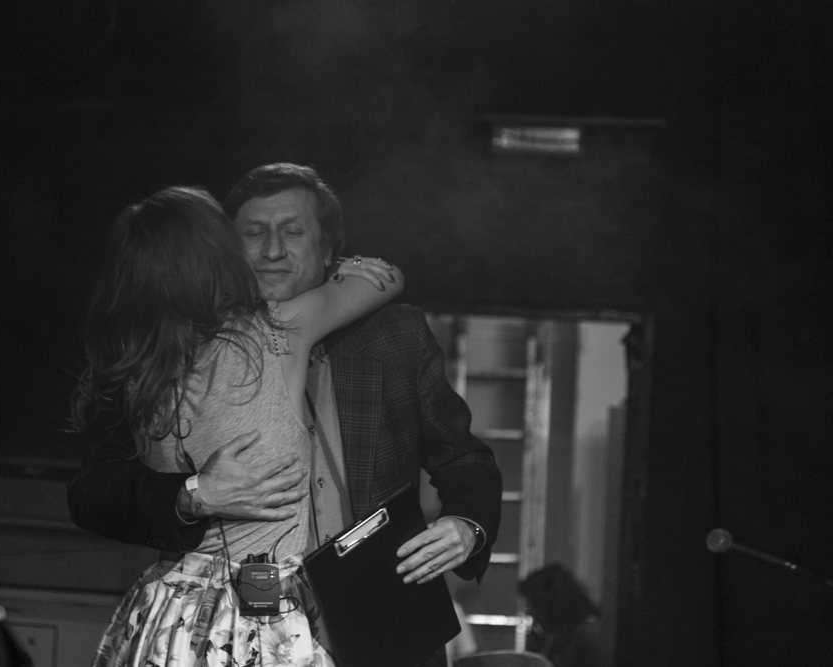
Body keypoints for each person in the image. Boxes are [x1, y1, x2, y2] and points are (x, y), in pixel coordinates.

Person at [68, 163, 505, 666]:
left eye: (293, 232)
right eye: (253, 233)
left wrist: (466, 525)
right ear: (226, 251)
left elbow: (464, 457)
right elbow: (93, 492)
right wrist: (192, 495)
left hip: (375, 620)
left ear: (327, 247)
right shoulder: (169, 357)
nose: (272, 250)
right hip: (248, 618)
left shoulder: (394, 338)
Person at [517, 564, 604, 667]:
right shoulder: (556, 638)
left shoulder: (588, 636)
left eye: (533, 604)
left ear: (551, 602)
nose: (529, 613)